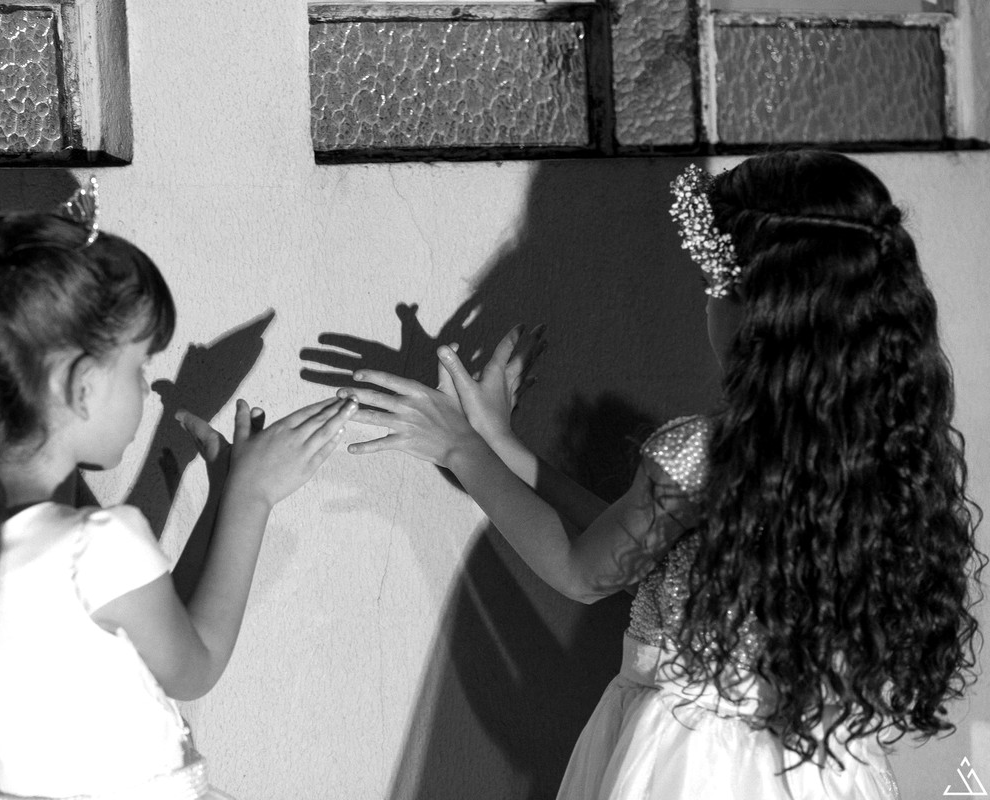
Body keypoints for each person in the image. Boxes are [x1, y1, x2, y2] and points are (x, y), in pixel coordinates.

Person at [339, 150, 983, 798]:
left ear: (762, 313)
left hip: (693, 765)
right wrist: (503, 445)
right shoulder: (867, 456)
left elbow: (584, 570)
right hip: (818, 769)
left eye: (716, 288)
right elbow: (643, 550)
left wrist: (461, 451)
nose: (708, 306)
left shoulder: (709, 452)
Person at [0, 180, 357, 799]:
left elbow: (147, 627)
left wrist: (221, 500)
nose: (144, 384)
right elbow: (191, 664)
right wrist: (252, 498)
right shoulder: (97, 544)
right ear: (82, 385)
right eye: (139, 365)